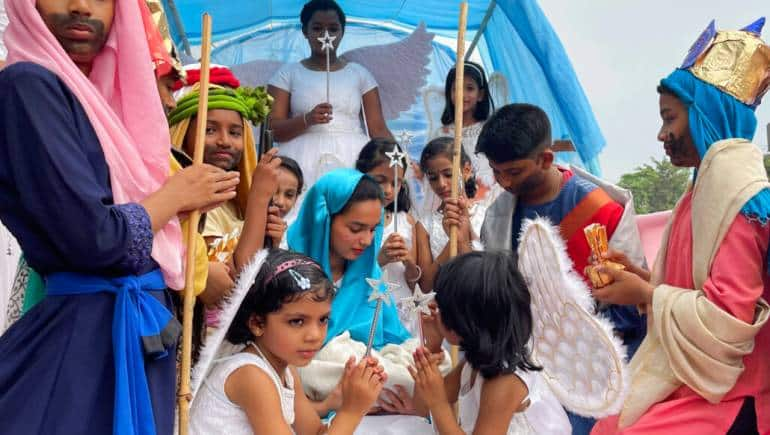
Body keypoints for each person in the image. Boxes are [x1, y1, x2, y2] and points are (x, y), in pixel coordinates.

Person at [0, 0, 240, 433]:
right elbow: (95, 239)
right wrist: (176, 195)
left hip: (130, 334)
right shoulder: (27, 84)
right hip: (84, 343)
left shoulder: (102, 106)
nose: (79, 6)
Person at [591, 19, 770, 435]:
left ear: (707, 115)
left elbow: (728, 320)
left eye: (670, 118)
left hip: (732, 392)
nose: (661, 134)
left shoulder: (735, 194)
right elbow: (690, 287)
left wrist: (647, 293)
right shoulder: (699, 191)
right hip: (697, 381)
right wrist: (635, 281)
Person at [477, 103, 647, 434]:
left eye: (513, 172)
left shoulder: (600, 211)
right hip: (522, 356)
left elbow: (627, 315)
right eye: (496, 172)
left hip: (592, 360)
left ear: (546, 159)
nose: (503, 182)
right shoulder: (498, 216)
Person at [287, 168, 449, 412]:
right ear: (324, 220)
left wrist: (426, 353)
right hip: (314, 363)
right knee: (328, 361)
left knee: (439, 366)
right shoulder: (289, 270)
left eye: (373, 230)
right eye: (355, 229)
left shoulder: (368, 273)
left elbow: (393, 335)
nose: (366, 240)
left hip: (372, 362)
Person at [189, 249, 386, 435]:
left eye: (323, 320)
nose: (315, 335)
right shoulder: (251, 375)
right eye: (297, 321)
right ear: (257, 323)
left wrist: (350, 399)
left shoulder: (286, 370)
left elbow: (315, 432)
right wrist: (352, 411)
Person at [409, 251, 571, 434]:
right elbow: (422, 409)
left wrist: (438, 403)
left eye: (441, 307)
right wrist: (432, 345)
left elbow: (436, 404)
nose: (433, 309)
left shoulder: (505, 380)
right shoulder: (474, 361)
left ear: (465, 324)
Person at [268, 0, 392, 189]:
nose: (326, 35)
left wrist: (398, 158)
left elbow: (378, 129)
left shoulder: (359, 74)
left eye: (333, 29)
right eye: (317, 28)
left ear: (342, 32)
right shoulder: (287, 74)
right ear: (305, 31)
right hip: (300, 159)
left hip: (354, 157)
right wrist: (307, 119)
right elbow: (273, 128)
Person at [355, 138, 421, 304]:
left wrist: (409, 262)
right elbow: (348, 276)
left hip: (402, 307)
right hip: (367, 304)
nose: (388, 190)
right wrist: (380, 259)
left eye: (396, 183)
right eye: (379, 181)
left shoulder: (406, 221)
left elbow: (414, 281)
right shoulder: (351, 222)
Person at [415, 137, 486, 291]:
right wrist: (451, 240)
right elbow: (425, 287)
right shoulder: (424, 225)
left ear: (466, 171)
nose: (441, 184)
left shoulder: (487, 214)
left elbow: (488, 273)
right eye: (433, 178)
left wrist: (465, 232)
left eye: (448, 174)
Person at [431, 61, 497, 203]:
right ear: (450, 93)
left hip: (484, 199)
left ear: (480, 95)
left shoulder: (490, 131)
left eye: (469, 88)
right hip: (451, 200)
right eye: (457, 88)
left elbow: (493, 171)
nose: (463, 94)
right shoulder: (442, 133)